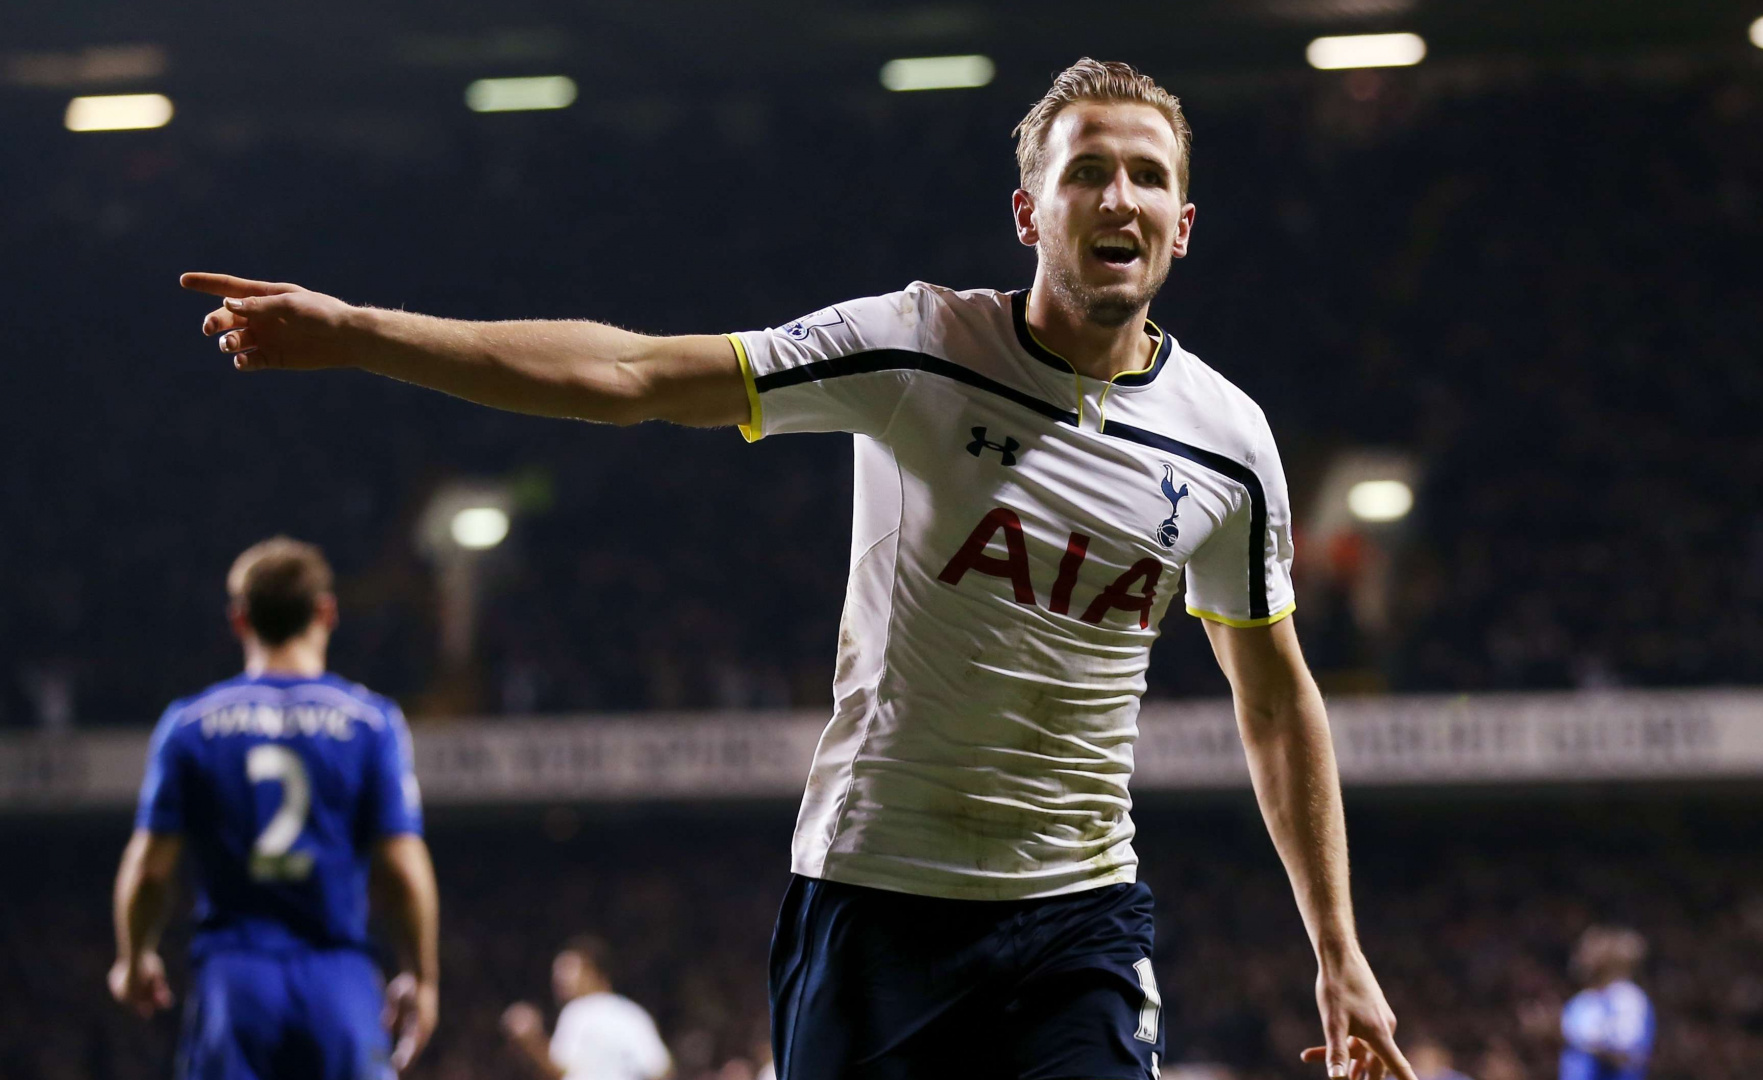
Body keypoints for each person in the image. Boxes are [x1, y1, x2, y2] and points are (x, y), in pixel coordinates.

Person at [183, 57, 1414, 1080]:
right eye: (1085, 168)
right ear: (1030, 211)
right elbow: (633, 375)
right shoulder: (922, 347)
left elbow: (1276, 696)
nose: (1120, 196)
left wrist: (1339, 949)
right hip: (874, 898)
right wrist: (360, 334)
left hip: (1078, 914)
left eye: (1149, 176)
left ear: (1183, 226)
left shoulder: (1230, 444)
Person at [109, 537, 441, 1078]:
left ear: (240, 619)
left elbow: (149, 870)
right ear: (326, 612)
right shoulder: (371, 722)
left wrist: (133, 959)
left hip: (235, 981)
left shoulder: (190, 725)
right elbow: (403, 869)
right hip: (339, 976)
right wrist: (421, 978)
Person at [501, 935, 674, 1080]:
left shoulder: (578, 1012)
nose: (560, 979)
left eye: (569, 970)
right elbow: (661, 1069)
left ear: (595, 972)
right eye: (558, 972)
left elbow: (558, 1070)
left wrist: (531, 1039)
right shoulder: (633, 1013)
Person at [1559, 927, 1654, 1080]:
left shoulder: (1627, 999)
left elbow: (1625, 1055)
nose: (1581, 958)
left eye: (1590, 952)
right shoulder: (1581, 1001)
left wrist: (1586, 1043)